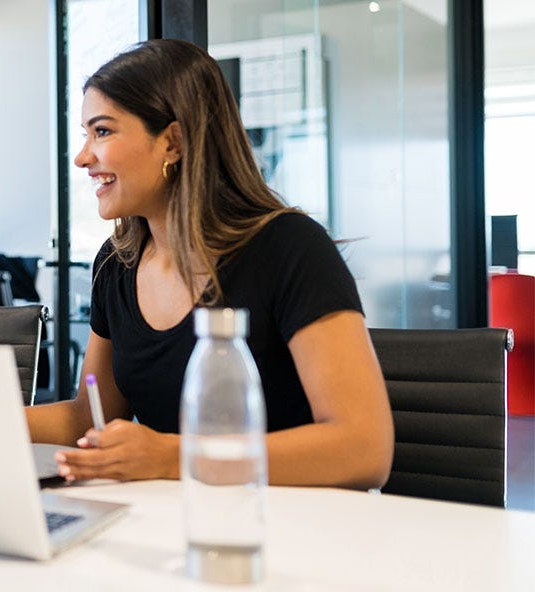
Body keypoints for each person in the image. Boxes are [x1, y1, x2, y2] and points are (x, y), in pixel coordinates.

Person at [29, 40, 393, 490]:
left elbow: (363, 449)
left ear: (173, 142)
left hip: (293, 528)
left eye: (102, 132)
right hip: (173, 520)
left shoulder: (289, 248)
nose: (83, 156)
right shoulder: (116, 263)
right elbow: (89, 416)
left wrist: (169, 457)